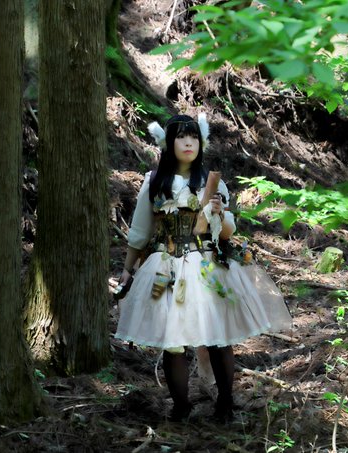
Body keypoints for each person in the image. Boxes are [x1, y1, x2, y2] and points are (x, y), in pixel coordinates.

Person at [115, 113, 291, 423]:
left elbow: (227, 233)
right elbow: (140, 232)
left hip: (207, 265)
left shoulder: (212, 182)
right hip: (165, 266)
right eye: (181, 137)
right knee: (172, 341)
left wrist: (219, 214)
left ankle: (225, 402)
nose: (188, 143)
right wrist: (128, 270)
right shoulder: (154, 181)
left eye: (194, 137)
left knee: (217, 336)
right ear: (168, 143)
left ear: (201, 142)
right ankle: (181, 406)